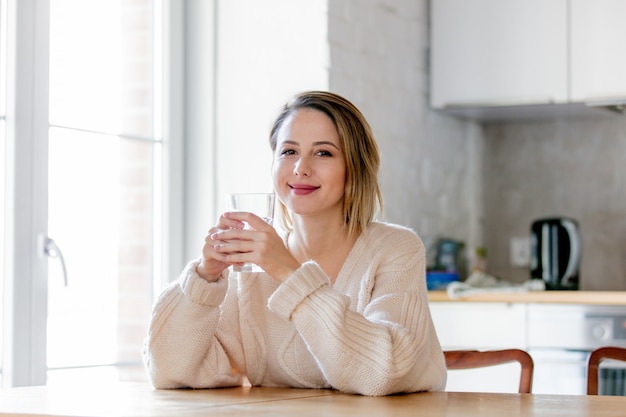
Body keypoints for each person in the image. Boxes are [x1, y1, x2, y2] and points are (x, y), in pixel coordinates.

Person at [143, 90, 447, 396]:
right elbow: (169, 372)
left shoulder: (396, 249)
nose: (301, 168)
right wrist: (205, 279)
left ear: (355, 167)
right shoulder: (250, 270)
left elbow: (383, 373)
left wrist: (289, 273)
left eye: (323, 152)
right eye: (289, 151)